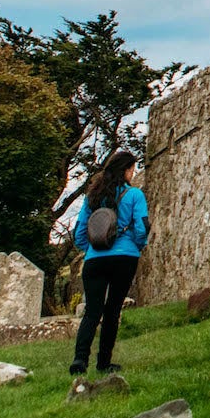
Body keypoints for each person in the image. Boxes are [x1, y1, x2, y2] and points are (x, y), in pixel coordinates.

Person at [71, 148, 149, 375]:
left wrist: (92, 250)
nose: (133, 174)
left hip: (95, 260)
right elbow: (142, 227)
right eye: (132, 170)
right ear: (125, 170)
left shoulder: (92, 197)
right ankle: (104, 362)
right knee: (112, 311)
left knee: (92, 312)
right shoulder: (134, 196)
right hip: (124, 258)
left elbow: (79, 233)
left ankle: (79, 360)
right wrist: (135, 246)